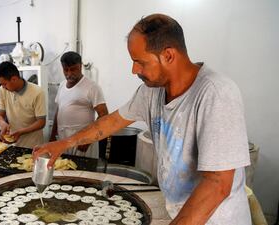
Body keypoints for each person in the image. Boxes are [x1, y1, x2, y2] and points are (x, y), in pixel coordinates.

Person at [34, 14, 251, 224]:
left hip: (214, 219)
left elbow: (217, 183)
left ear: (168, 55)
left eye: (140, 62)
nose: (134, 69)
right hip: (177, 212)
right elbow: (111, 121)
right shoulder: (151, 92)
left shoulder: (216, 94)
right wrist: (65, 143)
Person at [49, 51, 108, 158]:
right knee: (64, 171)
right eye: (66, 70)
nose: (69, 73)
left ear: (80, 66)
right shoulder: (62, 85)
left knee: (83, 172)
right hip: (63, 139)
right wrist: (52, 136)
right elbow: (59, 111)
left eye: (73, 69)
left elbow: (104, 115)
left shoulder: (92, 87)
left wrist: (89, 138)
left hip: (83, 140)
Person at [0, 61, 46, 148]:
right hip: (13, 145)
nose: (3, 87)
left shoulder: (37, 92)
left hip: (33, 146)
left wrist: (21, 132)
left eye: (4, 84)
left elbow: (41, 122)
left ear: (14, 79)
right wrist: (3, 124)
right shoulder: (2, 90)